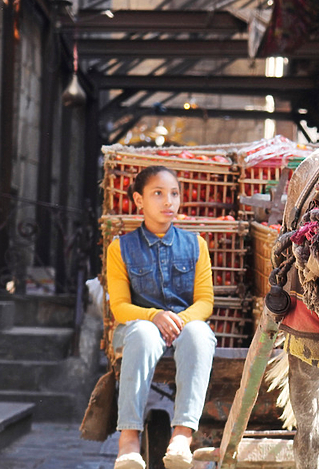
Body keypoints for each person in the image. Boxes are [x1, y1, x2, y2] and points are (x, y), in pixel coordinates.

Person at [106, 166, 216, 469]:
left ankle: (182, 435)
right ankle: (128, 439)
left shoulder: (196, 245)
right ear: (139, 200)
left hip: (185, 325)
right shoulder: (120, 248)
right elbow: (120, 307)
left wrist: (178, 321)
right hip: (139, 328)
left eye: (174, 194)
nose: (169, 201)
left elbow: (205, 302)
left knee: (199, 333)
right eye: (158, 193)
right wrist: (154, 316)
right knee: (142, 332)